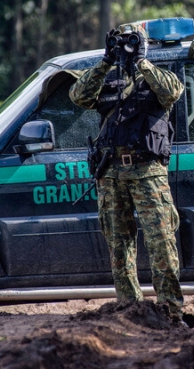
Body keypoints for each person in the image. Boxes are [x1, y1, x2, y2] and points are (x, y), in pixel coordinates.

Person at [69, 22, 185, 324]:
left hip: (148, 172)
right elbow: (78, 96)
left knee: (161, 243)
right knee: (119, 247)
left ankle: (171, 313)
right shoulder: (106, 79)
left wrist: (141, 60)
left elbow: (173, 92)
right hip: (111, 173)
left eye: (131, 41)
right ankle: (131, 311)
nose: (126, 47)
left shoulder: (156, 77)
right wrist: (106, 60)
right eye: (121, 42)